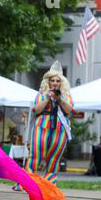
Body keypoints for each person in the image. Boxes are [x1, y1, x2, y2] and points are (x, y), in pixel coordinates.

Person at [14, 61, 74, 190]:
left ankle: (49, 185)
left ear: (61, 82)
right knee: (35, 156)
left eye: (58, 81)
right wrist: (48, 97)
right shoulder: (41, 94)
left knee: (54, 158)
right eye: (52, 80)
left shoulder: (66, 96)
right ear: (48, 82)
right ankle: (26, 183)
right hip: (42, 126)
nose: (55, 83)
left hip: (60, 128)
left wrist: (59, 100)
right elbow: (36, 110)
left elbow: (70, 111)